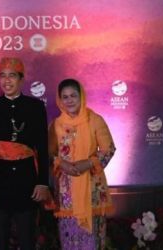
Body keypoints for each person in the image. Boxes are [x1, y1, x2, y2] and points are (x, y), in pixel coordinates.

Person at [0, 57, 50, 250]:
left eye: (12, 76)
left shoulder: (35, 107)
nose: (6, 81)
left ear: (21, 79)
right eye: (2, 76)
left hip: (26, 183)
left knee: (27, 239)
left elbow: (42, 146)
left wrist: (43, 181)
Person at [49, 78, 115, 250]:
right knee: (70, 237)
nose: (69, 100)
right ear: (60, 100)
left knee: (93, 239)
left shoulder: (95, 120)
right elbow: (48, 153)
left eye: (73, 96)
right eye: (65, 97)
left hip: (92, 188)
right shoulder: (56, 125)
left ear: (81, 97)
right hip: (66, 191)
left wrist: (88, 163)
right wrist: (61, 163)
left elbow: (109, 149)